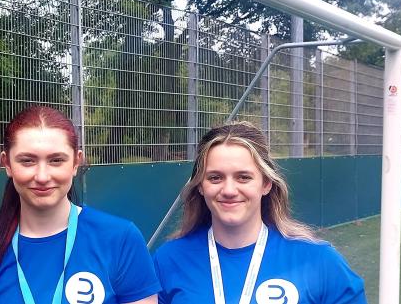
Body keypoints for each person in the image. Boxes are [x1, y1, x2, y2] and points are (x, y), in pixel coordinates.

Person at [0, 105, 161, 304]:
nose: (43, 176)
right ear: (8, 164)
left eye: (56, 160)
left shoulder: (120, 239)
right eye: (27, 161)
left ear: (75, 162)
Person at [153, 122, 365, 304]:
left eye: (243, 177)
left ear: (266, 184)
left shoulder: (318, 260)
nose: (228, 190)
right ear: (200, 186)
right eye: (215, 177)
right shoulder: (168, 260)